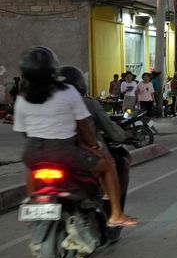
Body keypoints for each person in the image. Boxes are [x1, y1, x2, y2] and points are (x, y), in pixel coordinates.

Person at [13, 47, 138, 227]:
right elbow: (84, 125)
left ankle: (32, 200)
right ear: (53, 68)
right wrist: (94, 147)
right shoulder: (67, 92)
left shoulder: (23, 97)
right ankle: (117, 214)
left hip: (33, 151)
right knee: (108, 164)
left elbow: (24, 131)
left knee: (31, 166)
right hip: (65, 151)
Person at [60, 66, 131, 208]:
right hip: (82, 152)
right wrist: (123, 135)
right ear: (80, 85)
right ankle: (115, 209)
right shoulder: (86, 103)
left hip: (50, 153)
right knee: (118, 162)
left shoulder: (47, 102)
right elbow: (107, 127)